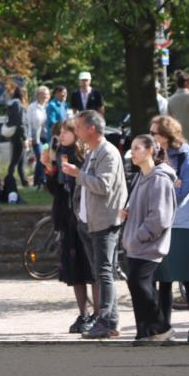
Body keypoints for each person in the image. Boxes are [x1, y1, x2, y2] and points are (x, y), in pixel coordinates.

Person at [62, 110, 128, 339]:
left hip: (104, 222)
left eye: (79, 127)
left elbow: (102, 186)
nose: (76, 131)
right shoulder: (93, 152)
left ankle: (108, 322)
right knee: (100, 274)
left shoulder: (107, 153)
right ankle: (110, 322)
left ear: (91, 128)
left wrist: (77, 174)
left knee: (104, 273)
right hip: (90, 223)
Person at [150, 116, 189, 342]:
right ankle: (165, 327)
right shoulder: (153, 156)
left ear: (166, 135)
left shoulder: (186, 157)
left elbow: (183, 192)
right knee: (164, 279)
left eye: (155, 133)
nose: (151, 137)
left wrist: (170, 186)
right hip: (161, 222)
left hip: (182, 223)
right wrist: (172, 184)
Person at [120, 135, 177, 343]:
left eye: (137, 148)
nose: (132, 152)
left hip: (148, 245)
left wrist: (139, 235)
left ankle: (162, 328)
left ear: (150, 151)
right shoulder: (140, 177)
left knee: (139, 284)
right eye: (132, 148)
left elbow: (159, 217)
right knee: (137, 286)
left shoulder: (159, 179)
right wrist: (128, 213)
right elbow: (141, 207)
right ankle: (144, 332)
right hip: (135, 245)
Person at [43, 120, 97, 333]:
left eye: (66, 131)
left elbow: (88, 185)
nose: (62, 134)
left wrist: (75, 174)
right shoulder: (60, 153)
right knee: (75, 269)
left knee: (91, 268)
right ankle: (83, 313)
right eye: (60, 131)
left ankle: (99, 314)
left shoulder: (86, 156)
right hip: (67, 217)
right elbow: (57, 190)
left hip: (84, 217)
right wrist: (49, 170)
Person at [5, 86, 30, 187]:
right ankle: (9, 180)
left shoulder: (11, 104)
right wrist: (24, 138)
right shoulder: (18, 105)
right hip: (19, 135)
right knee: (16, 160)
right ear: (23, 95)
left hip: (14, 135)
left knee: (20, 160)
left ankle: (24, 181)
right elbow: (21, 122)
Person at [27, 86, 50, 188]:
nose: (44, 95)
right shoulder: (32, 107)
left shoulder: (50, 107)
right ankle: (42, 180)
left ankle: (38, 181)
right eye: (42, 93)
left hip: (47, 138)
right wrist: (28, 138)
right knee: (41, 156)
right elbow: (28, 123)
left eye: (46, 94)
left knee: (44, 158)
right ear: (37, 95)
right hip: (37, 137)